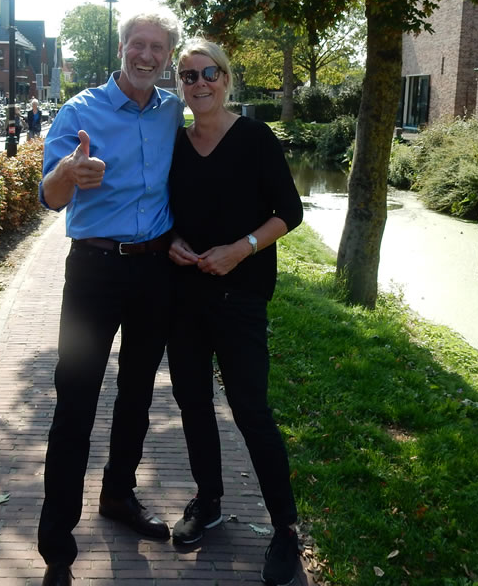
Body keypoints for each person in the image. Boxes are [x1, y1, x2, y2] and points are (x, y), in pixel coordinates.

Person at [37, 10, 184, 586]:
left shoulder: (172, 110)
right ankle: (57, 542)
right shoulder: (80, 112)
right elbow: (49, 197)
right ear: (121, 48)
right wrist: (69, 173)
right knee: (75, 401)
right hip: (94, 271)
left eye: (157, 48)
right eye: (137, 44)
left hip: (154, 271)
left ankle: (119, 494)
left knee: (138, 393)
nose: (146, 55)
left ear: (168, 56)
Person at [166, 39, 303, 586]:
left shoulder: (255, 137)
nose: (199, 83)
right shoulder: (175, 143)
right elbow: (164, 211)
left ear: (226, 78)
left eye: (209, 73)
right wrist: (172, 241)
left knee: (250, 410)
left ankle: (285, 527)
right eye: (188, 75)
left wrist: (240, 249)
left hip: (241, 297)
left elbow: (289, 212)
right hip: (184, 296)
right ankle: (209, 500)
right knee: (193, 403)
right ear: (180, 85)